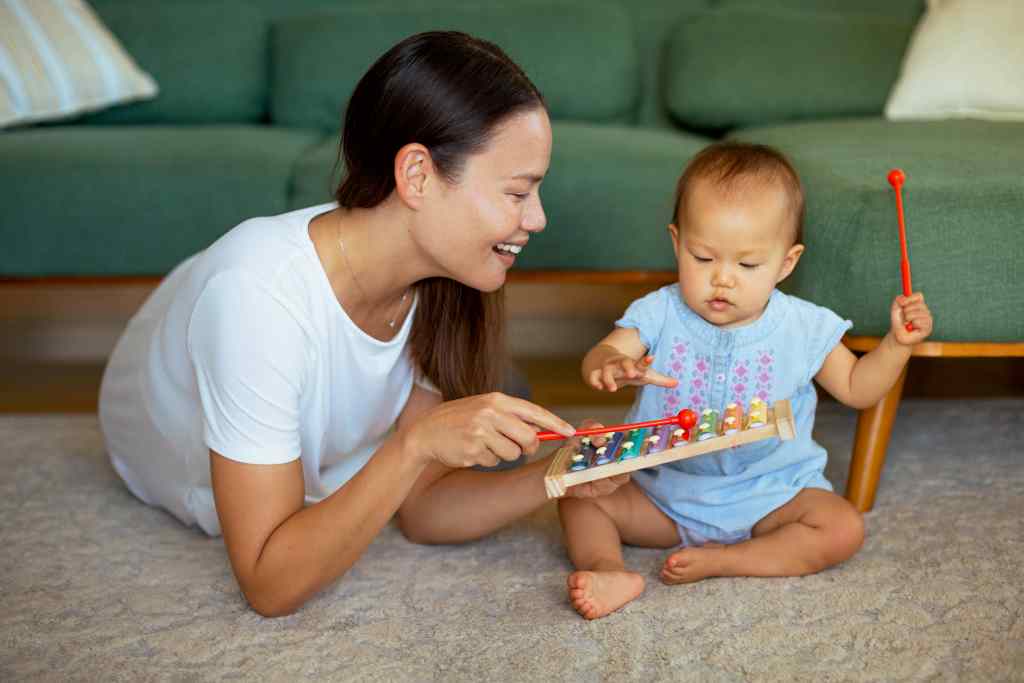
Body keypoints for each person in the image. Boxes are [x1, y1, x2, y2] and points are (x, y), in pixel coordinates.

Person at [99, 31, 627, 618]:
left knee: (476, 413)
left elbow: (423, 511)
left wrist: (560, 472)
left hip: (313, 393)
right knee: (456, 416)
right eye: (518, 192)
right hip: (175, 411)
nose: (539, 218)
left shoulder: (450, 273)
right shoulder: (256, 298)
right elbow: (269, 584)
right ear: (417, 174)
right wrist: (415, 444)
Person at [557, 142, 934, 620]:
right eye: (702, 257)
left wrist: (897, 345)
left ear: (787, 263)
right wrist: (611, 362)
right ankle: (608, 569)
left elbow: (858, 388)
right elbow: (602, 355)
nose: (723, 279)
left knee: (842, 528)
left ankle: (729, 559)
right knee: (578, 497)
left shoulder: (804, 326)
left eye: (748, 265)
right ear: (676, 242)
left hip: (771, 494)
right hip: (665, 493)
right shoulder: (659, 311)